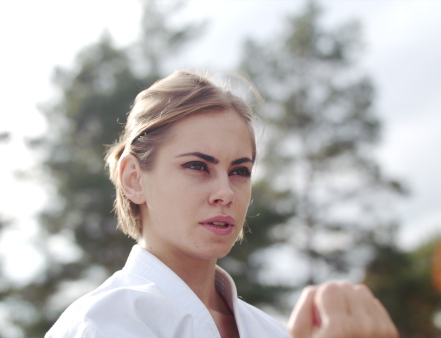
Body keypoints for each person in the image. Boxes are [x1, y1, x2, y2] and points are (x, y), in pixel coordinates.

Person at [46, 70, 398, 338]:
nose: (225, 192)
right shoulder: (99, 325)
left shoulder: (271, 332)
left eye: (240, 171)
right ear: (133, 178)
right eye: (197, 166)